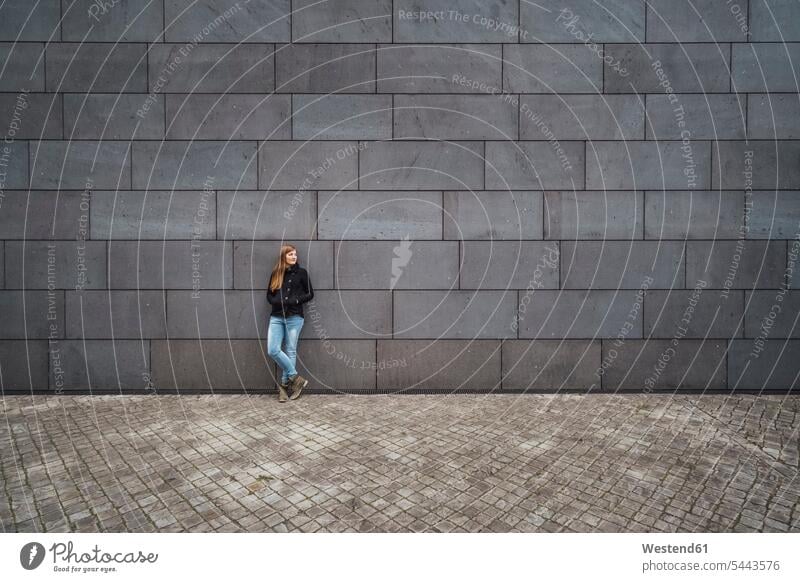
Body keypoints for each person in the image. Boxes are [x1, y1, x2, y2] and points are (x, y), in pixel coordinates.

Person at [266, 244, 313, 402]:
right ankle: (296, 378)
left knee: (290, 350)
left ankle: (284, 388)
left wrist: (295, 300)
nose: (294, 257)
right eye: (290, 254)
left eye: (295, 254)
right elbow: (269, 296)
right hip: (277, 317)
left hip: (294, 317)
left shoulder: (302, 273)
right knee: (273, 350)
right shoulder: (276, 273)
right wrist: (277, 302)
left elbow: (310, 294)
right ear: (283, 257)